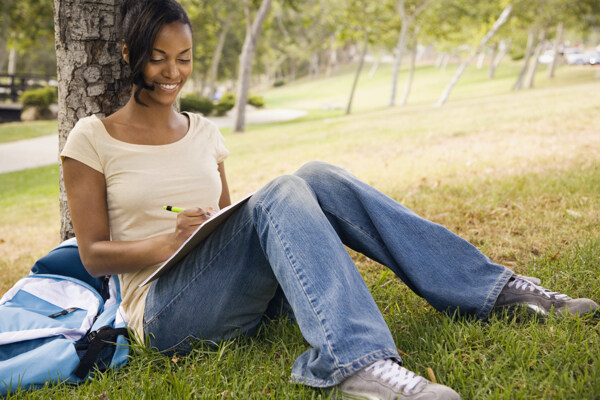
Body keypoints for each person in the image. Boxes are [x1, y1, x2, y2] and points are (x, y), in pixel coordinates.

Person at [60, 1, 599, 399]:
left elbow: (228, 225)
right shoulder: (93, 138)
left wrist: (213, 227)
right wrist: (164, 242)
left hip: (235, 295)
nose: (172, 73)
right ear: (130, 54)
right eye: (158, 58)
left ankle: (496, 290)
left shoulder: (204, 132)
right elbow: (92, 255)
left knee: (315, 175)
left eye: (184, 58)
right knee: (282, 191)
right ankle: (358, 366)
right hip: (164, 312)